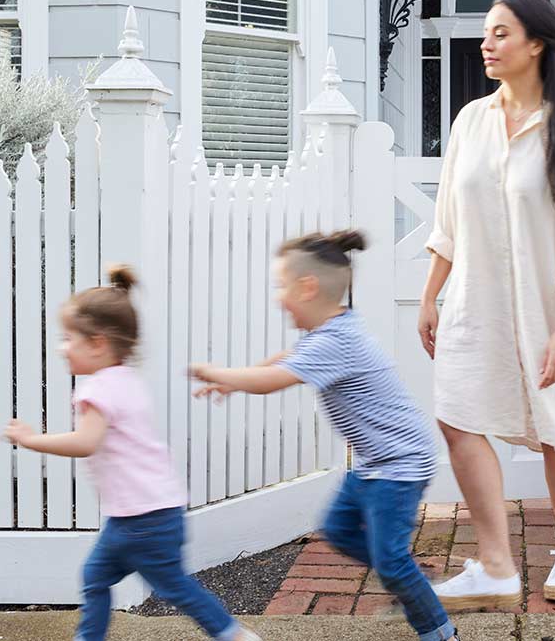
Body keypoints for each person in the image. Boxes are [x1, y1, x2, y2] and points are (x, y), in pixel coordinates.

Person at [418, 0, 555, 609]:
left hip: (545, 308)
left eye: (501, 33)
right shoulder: (470, 121)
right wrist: (430, 296)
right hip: (472, 302)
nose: (486, 43)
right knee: (457, 415)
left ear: (536, 43)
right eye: (486, 32)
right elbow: (449, 218)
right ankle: (496, 561)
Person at [189, 230, 458, 641]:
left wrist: (218, 374)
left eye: (281, 285)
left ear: (308, 287)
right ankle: (405, 576)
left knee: (389, 560)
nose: (278, 296)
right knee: (339, 531)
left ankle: (439, 631)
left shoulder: (337, 342)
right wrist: (236, 382)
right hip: (375, 461)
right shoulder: (331, 331)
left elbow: (273, 380)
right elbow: (283, 360)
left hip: (400, 462)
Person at [3, 266, 258, 641]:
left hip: (143, 520)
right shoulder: (126, 381)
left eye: (68, 338)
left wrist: (31, 439)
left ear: (98, 343)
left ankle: (233, 635)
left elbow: (84, 443)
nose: (62, 347)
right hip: (142, 515)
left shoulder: (98, 390)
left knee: (174, 588)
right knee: (96, 577)